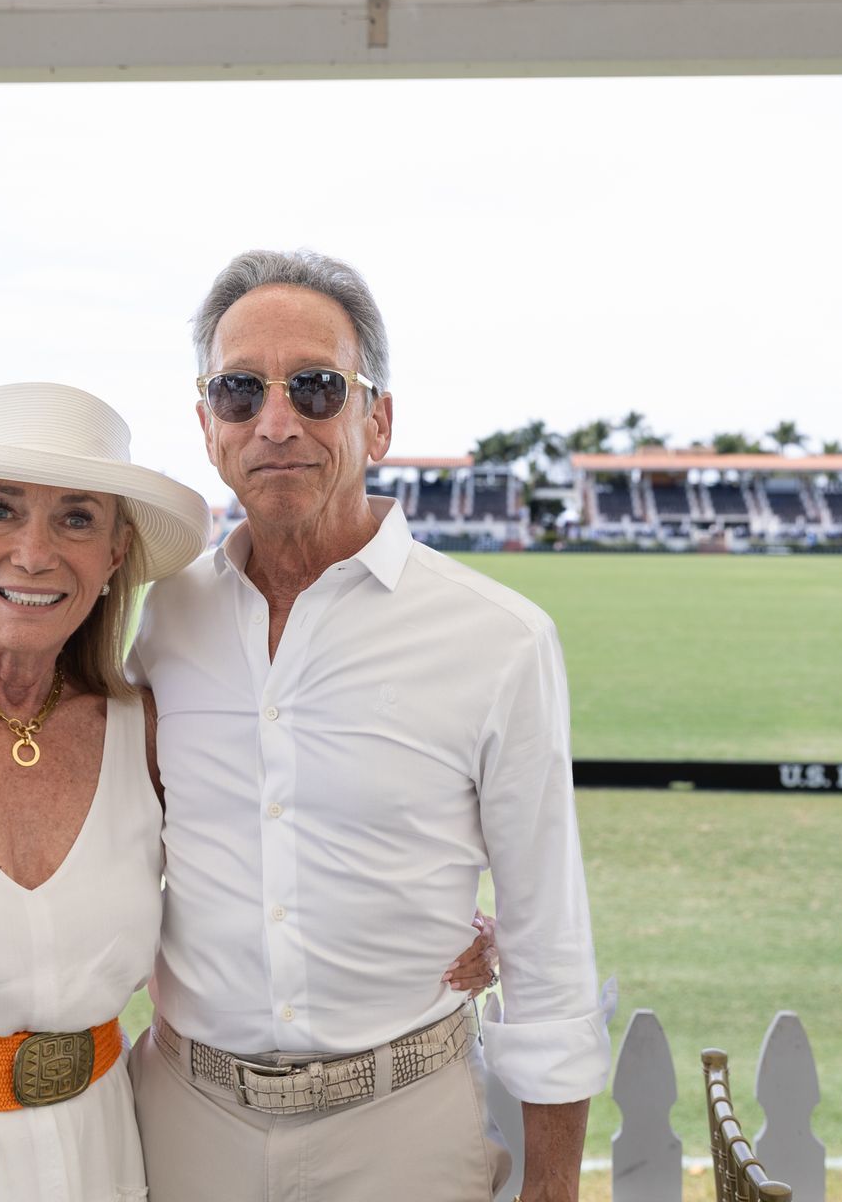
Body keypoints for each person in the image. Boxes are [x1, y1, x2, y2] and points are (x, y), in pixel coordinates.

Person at [0, 381, 503, 1202]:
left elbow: (274, 855)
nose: (35, 551)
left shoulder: (143, 732)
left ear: (112, 558)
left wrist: (438, 926)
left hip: (99, 1160)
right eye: (0, 510)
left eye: (75, 517)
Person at [128, 250, 610, 1202]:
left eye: (316, 388)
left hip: (403, 1129)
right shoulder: (160, 621)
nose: (277, 422)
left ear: (376, 418)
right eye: (239, 391)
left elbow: (549, 943)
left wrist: (551, 1190)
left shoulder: (499, 640)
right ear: (206, 426)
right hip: (184, 1121)